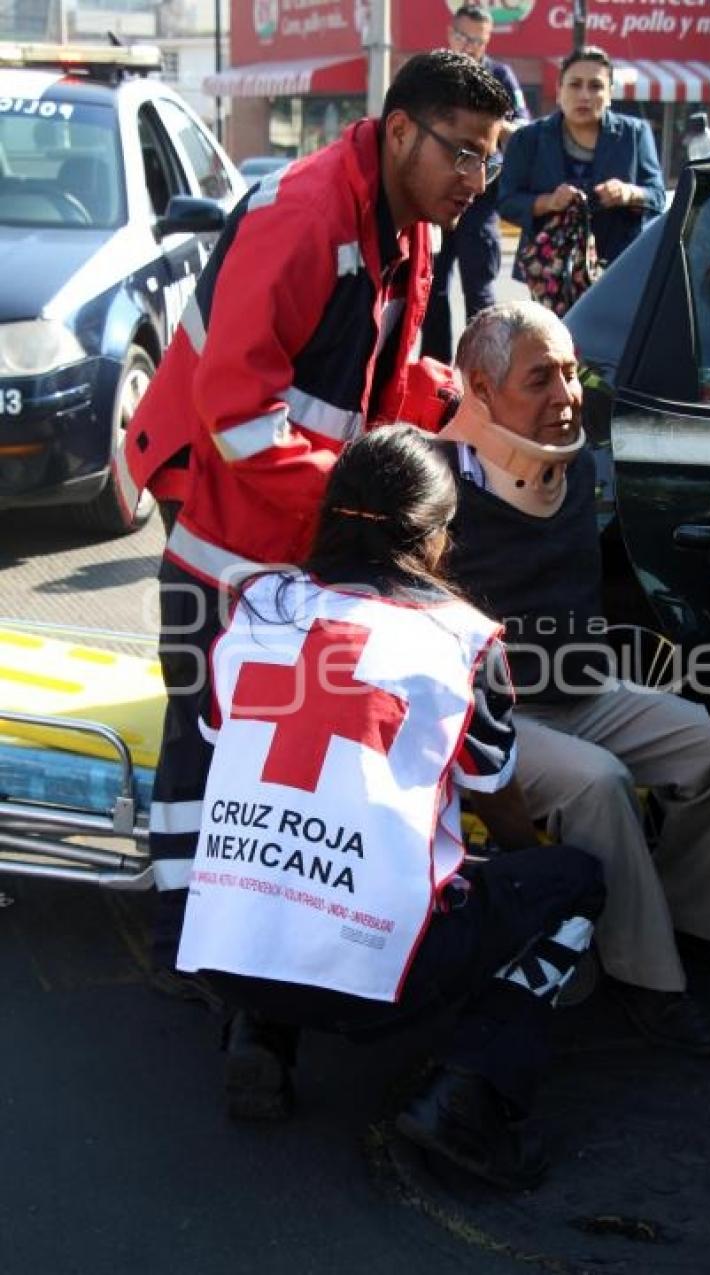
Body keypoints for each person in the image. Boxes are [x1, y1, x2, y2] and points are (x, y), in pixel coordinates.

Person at [112, 51, 514, 977]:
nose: (474, 180)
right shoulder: (303, 214)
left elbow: (382, 380)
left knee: (277, 741)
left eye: (488, 161)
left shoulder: (407, 220)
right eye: (463, 153)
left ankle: (268, 934)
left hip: (301, 520)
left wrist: (469, 407)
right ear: (402, 130)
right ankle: (189, 945)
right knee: (205, 739)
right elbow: (243, 420)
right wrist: (363, 505)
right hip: (226, 527)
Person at [176, 425, 606, 1190]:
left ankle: (259, 1035)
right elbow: (495, 795)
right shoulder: (462, 640)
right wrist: (526, 852)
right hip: (377, 984)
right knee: (571, 883)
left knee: (288, 865)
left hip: (221, 949)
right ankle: (467, 1093)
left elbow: (224, 746)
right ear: (439, 538)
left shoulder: (254, 607)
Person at [440, 300, 710, 1057]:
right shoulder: (437, 483)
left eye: (571, 373)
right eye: (540, 379)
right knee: (599, 784)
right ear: (483, 392)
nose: (566, 396)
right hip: (493, 717)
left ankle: (687, 918)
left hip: (582, 689)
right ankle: (649, 981)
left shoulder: (581, 460)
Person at [499, 46, 665, 289]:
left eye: (596, 86)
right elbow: (507, 202)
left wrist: (628, 193)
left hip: (616, 267)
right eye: (575, 85)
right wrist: (549, 201)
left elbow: (658, 197)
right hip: (549, 271)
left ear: (610, 93)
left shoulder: (634, 134)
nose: (585, 95)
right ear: (559, 90)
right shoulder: (528, 139)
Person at [419, 4, 529, 363]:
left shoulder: (499, 74)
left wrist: (502, 129)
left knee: (479, 290)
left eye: (478, 41)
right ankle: (433, 376)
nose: (470, 47)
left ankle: (481, 369)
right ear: (450, 34)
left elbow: (522, 131)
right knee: (431, 289)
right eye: (464, 38)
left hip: (480, 196)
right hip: (435, 193)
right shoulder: (434, 73)